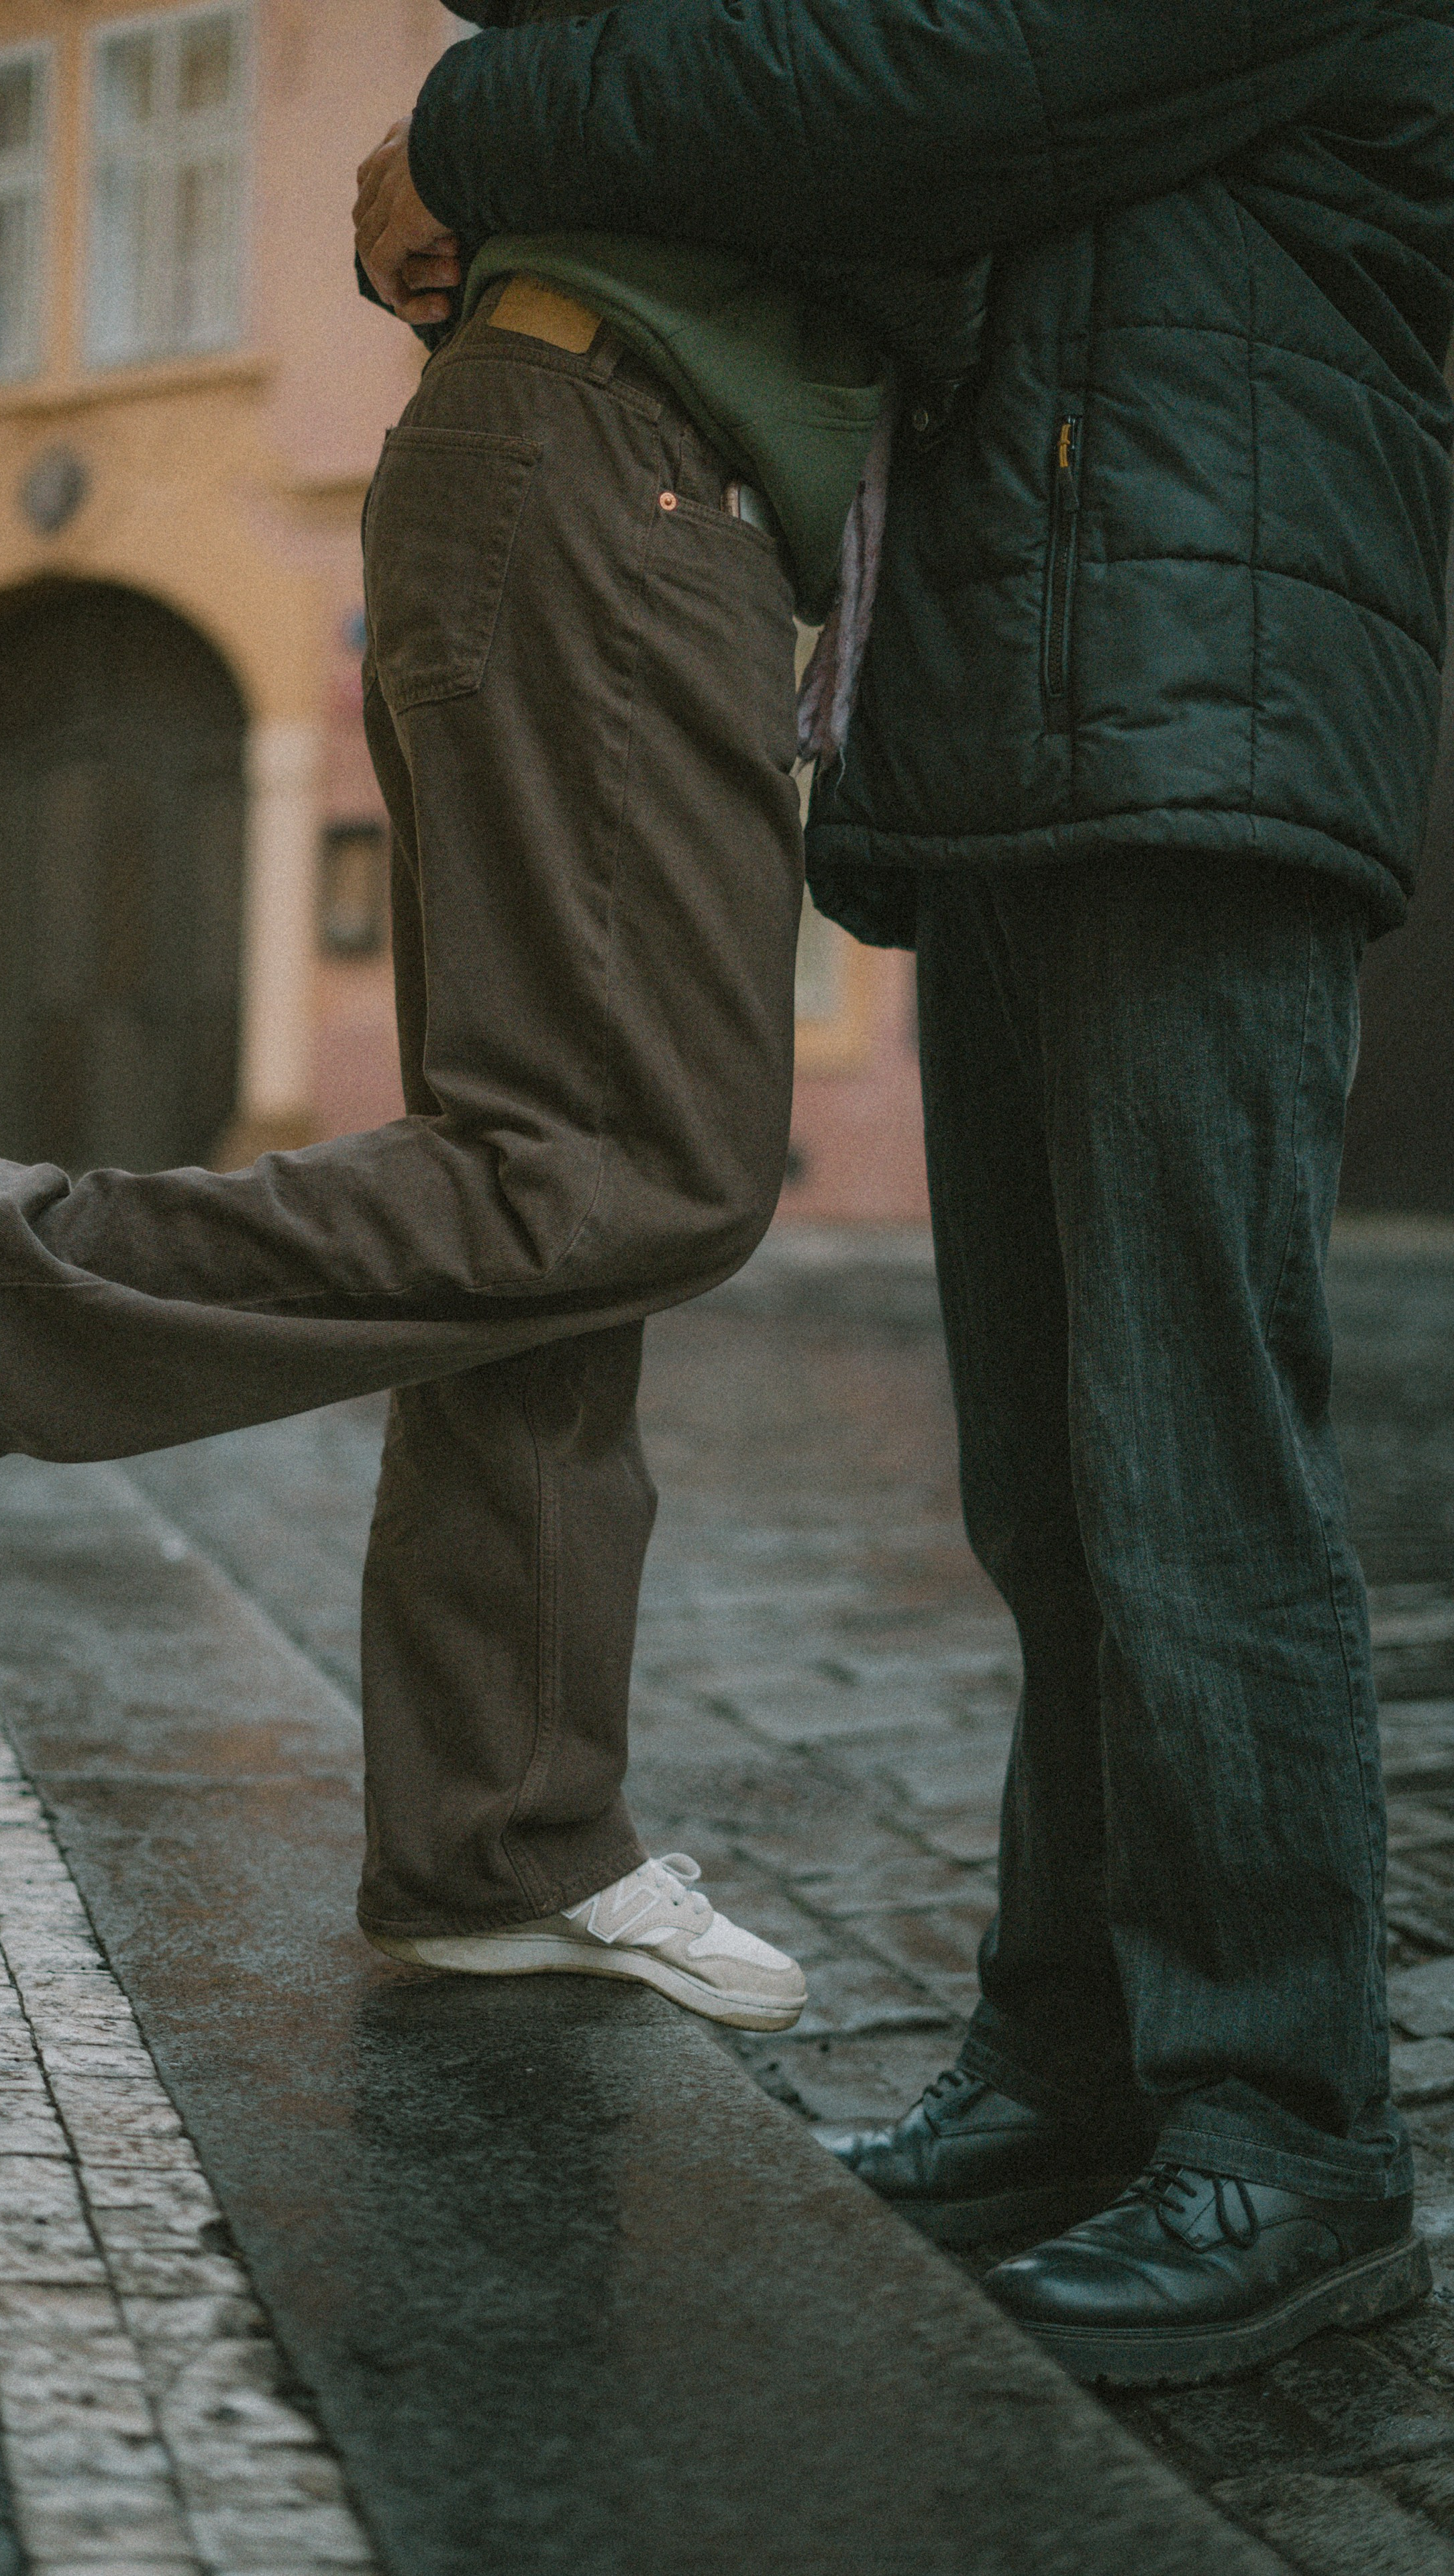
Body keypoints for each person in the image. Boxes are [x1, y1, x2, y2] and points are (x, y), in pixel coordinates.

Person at [354, 0, 1454, 2388]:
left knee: (1194, 1476)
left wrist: (472, 123)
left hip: (1203, 679)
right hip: (1038, 694)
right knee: (1056, 1492)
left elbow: (915, 89)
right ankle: (1074, 2071)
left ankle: (1292, 2133)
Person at [0, 5, 988, 2047]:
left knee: (544, 1183)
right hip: (620, 470)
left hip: (594, 465)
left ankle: (502, 1843)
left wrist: (475, 154)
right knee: (633, 1165)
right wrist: (477, 136)